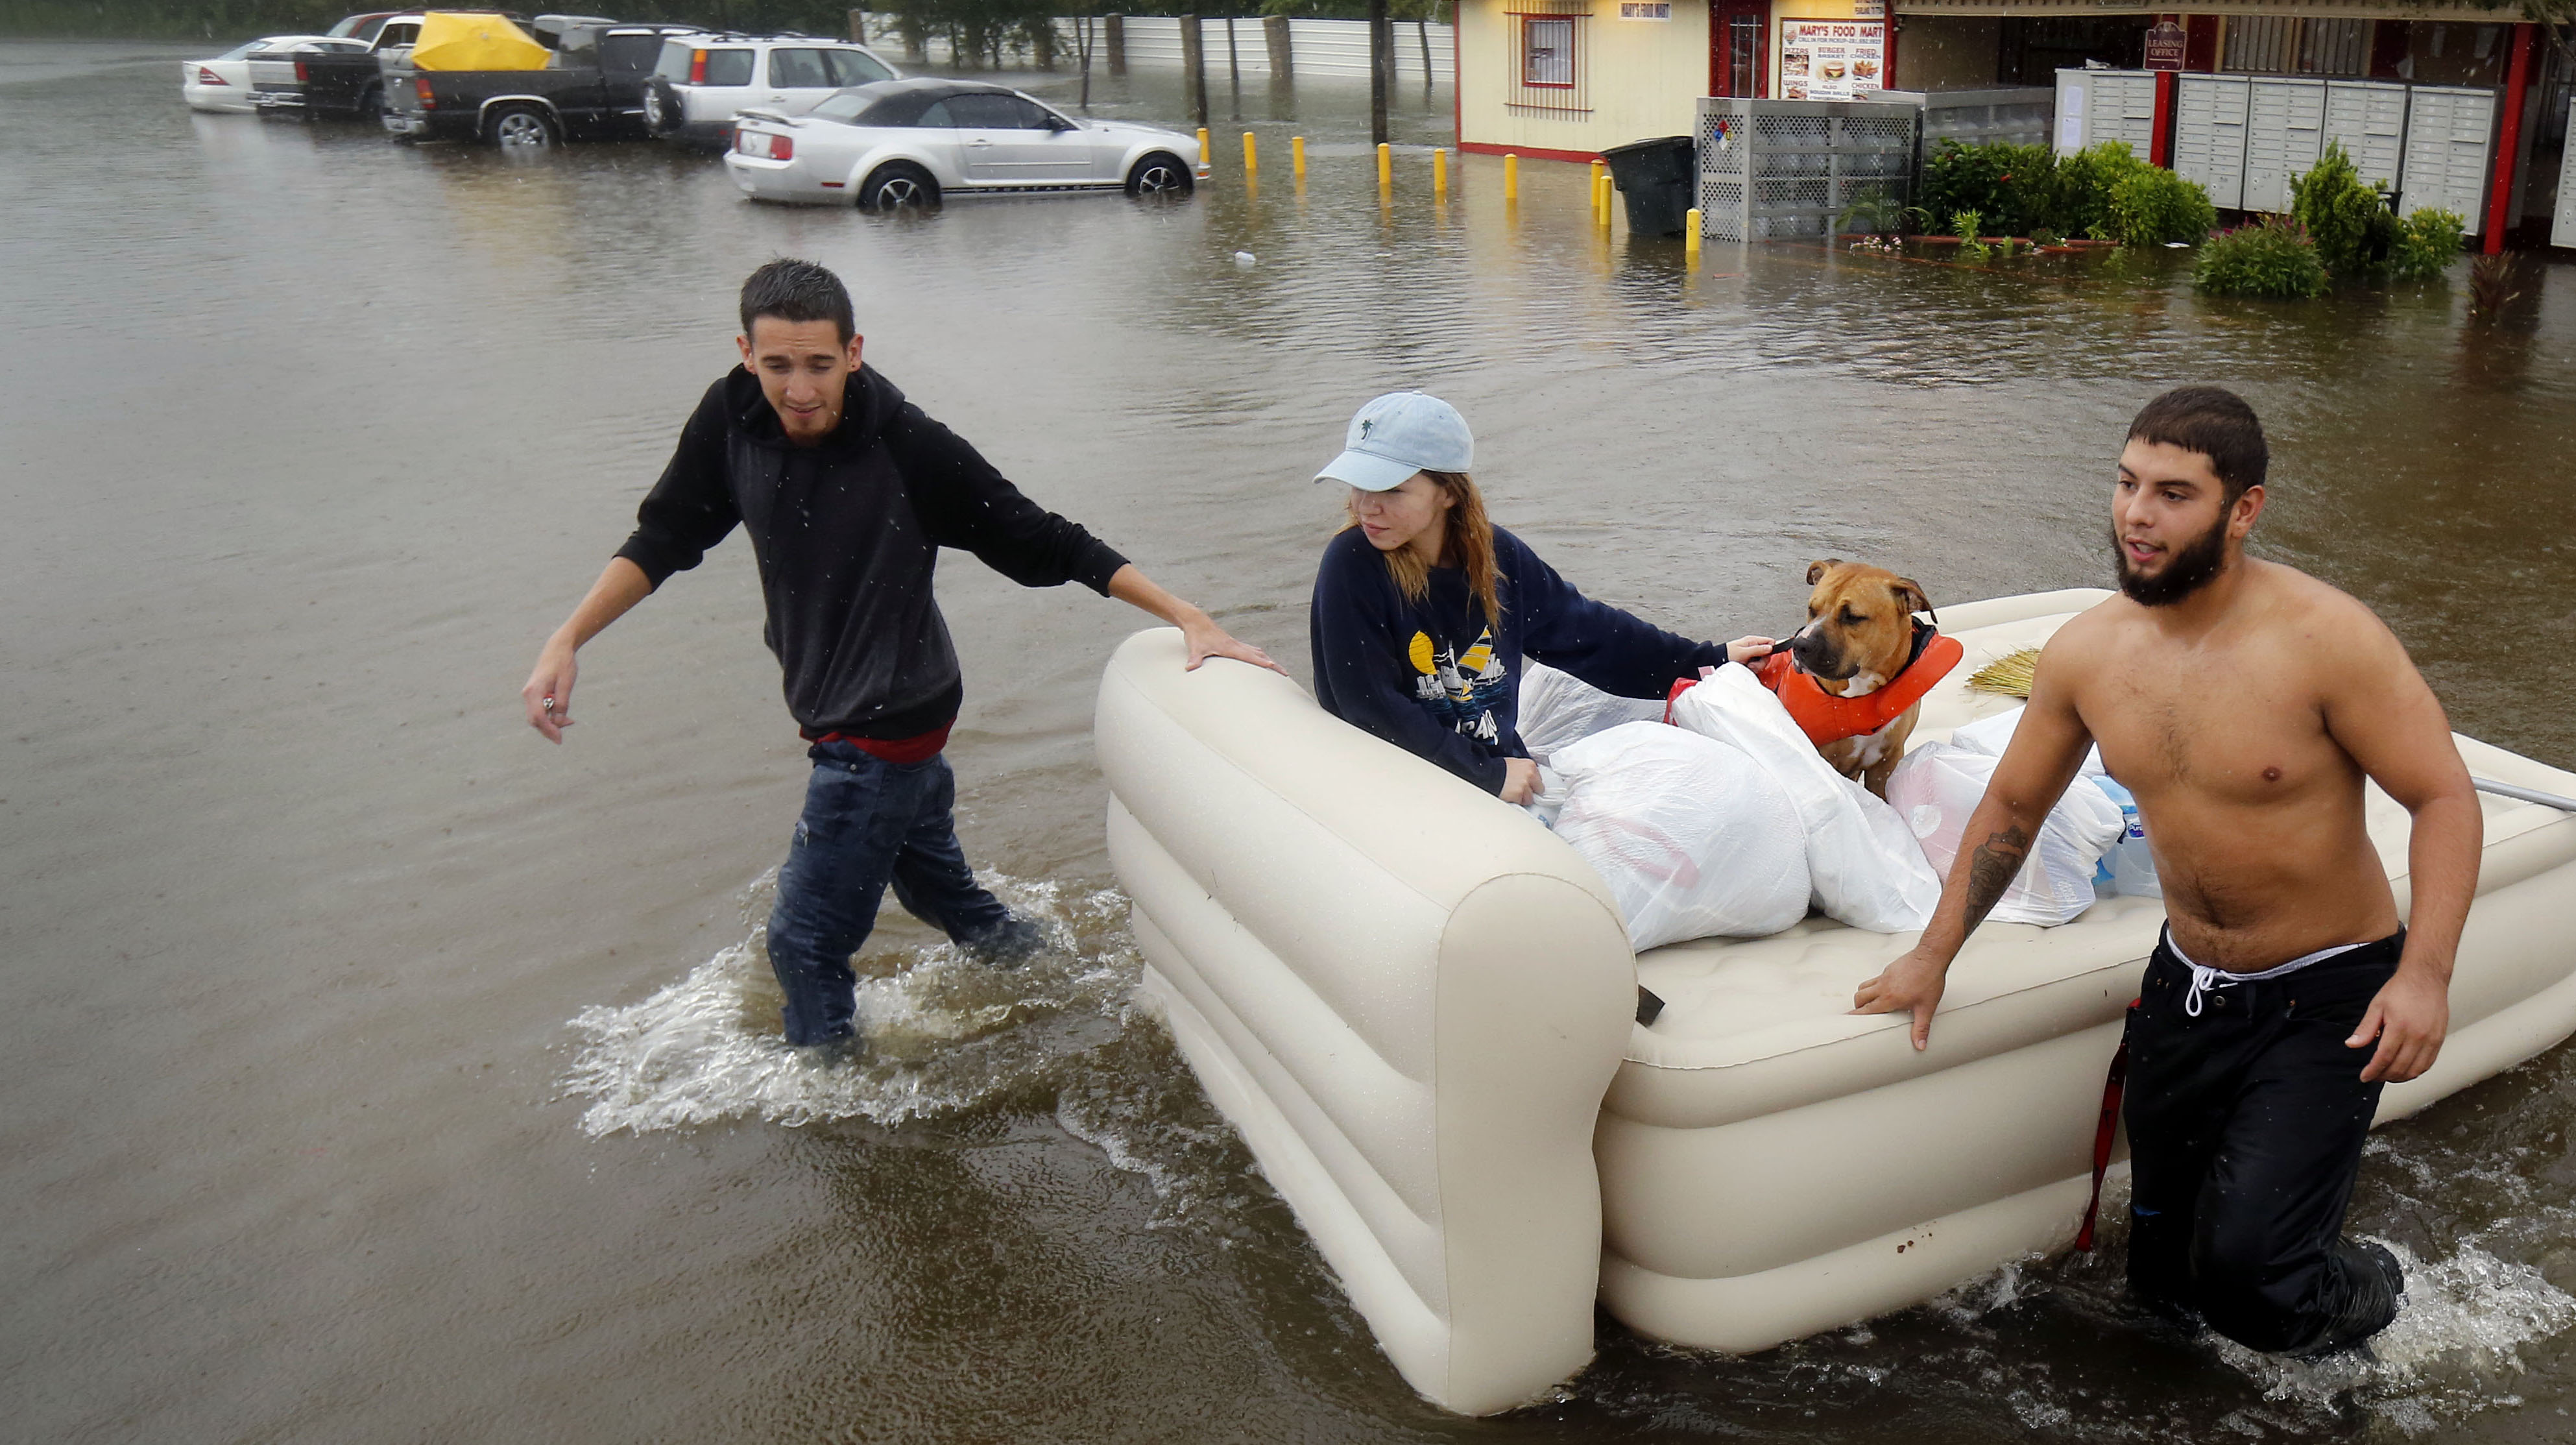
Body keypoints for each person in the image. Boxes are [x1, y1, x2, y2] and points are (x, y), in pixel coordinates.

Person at [1854, 385, 2483, 1356]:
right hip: (2185, 989)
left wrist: (2426, 975)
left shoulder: (2328, 640)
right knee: (2158, 1278)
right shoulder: (2090, 652)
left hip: (2326, 993)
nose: (2138, 514)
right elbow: (2014, 808)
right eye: (2127, 483)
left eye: (2175, 493)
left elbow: (2445, 798)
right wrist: (1934, 953)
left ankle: (2379, 1284)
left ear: (2245, 509)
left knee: (2252, 1281)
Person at [521, 257, 1273, 1054]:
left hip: (880, 727)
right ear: (745, 353)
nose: (799, 390)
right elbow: (666, 534)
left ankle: (834, 1098)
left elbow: (1040, 536)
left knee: (802, 946)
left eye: (819, 365)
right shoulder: (730, 418)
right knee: (935, 889)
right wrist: (566, 638)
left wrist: (1185, 614)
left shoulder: (906, 445)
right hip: (865, 715)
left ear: (854, 351)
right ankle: (1071, 981)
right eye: (778, 366)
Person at [1305, 391, 1771, 803]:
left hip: (1501, 775)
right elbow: (1368, 705)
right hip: (1410, 788)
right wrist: (1486, 774)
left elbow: (1590, 636)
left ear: (1448, 492)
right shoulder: (1352, 564)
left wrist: (1709, 660)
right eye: (1360, 484)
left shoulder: (1496, 556)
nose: (1367, 504)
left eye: (1390, 488)